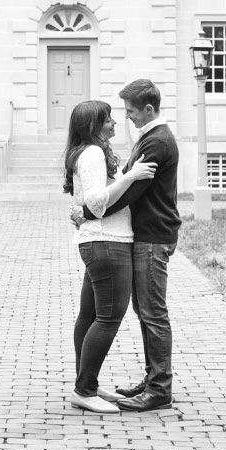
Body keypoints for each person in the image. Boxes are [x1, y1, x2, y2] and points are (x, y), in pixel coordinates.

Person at [83, 78, 180, 412]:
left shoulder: (158, 142)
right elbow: (127, 181)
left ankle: (160, 389)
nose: (127, 117)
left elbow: (131, 192)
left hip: (153, 236)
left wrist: (87, 213)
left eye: (131, 111)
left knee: (153, 313)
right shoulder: (149, 138)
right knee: (146, 311)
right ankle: (153, 378)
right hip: (146, 235)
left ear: (148, 109)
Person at [62, 101, 157, 414]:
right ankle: (84, 390)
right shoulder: (92, 153)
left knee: (89, 314)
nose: (115, 123)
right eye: (108, 120)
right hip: (107, 242)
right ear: (93, 126)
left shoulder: (89, 151)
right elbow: (95, 201)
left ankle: (87, 382)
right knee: (108, 317)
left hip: (99, 241)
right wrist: (131, 177)